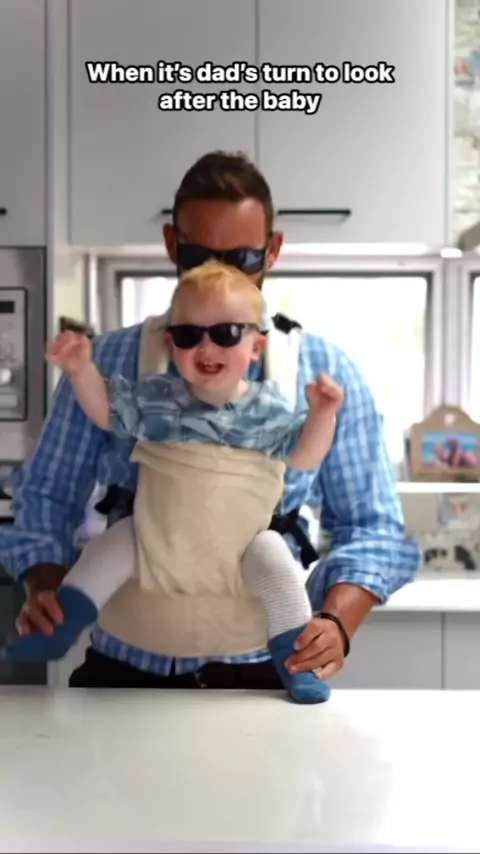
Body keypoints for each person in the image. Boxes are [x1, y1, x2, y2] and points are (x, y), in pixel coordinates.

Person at [0, 150, 421, 690]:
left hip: (260, 672)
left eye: (241, 257)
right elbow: (47, 498)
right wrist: (46, 591)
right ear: (172, 245)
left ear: (273, 250)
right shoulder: (109, 364)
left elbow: (372, 527)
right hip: (124, 669)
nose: (218, 274)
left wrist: (337, 622)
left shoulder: (324, 376)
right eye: (198, 255)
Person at [4, 261, 345, 704]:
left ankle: (297, 666)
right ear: (171, 343)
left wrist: (323, 415)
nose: (206, 347)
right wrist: (80, 371)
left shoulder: (269, 409)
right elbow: (105, 413)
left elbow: (305, 456)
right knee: (112, 545)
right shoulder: (157, 399)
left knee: (278, 567)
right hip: (155, 536)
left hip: (243, 547)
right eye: (188, 335)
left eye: (225, 334)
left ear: (256, 348)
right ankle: (60, 629)